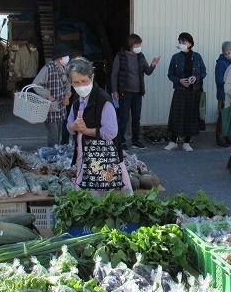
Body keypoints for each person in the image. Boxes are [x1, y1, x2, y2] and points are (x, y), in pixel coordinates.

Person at [66, 57, 132, 193]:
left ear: (92, 77)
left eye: (84, 81)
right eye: (76, 83)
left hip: (103, 158)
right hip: (83, 156)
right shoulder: (76, 99)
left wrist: (86, 130)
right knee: (87, 197)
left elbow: (111, 132)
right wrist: (73, 126)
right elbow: (69, 125)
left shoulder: (103, 100)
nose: (80, 86)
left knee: (105, 197)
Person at [110, 34, 161, 150]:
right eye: (137, 44)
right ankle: (121, 141)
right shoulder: (120, 56)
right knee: (124, 117)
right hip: (125, 91)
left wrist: (153, 64)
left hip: (138, 92)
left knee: (136, 117)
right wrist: (114, 91)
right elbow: (114, 74)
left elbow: (147, 71)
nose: (139, 46)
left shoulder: (140, 56)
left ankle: (135, 141)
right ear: (131, 44)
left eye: (140, 44)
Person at [165, 32, 206, 152]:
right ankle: (173, 141)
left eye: (184, 42)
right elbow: (170, 74)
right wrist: (179, 81)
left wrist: (196, 78)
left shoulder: (197, 56)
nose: (181, 44)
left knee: (190, 116)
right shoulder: (175, 57)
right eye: (180, 42)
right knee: (176, 115)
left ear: (190, 43)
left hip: (194, 91)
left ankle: (187, 142)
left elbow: (203, 72)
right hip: (180, 90)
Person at [32, 43, 70, 147]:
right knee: (53, 133)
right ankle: (51, 153)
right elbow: (36, 84)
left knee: (58, 132)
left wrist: (67, 96)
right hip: (50, 107)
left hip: (61, 107)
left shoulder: (65, 68)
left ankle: (55, 152)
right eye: (65, 56)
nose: (67, 58)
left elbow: (68, 84)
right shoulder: (47, 68)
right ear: (59, 57)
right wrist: (48, 95)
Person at [214, 41, 231, 147]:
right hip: (223, 94)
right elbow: (219, 80)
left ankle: (227, 137)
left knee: (229, 117)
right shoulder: (221, 63)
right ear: (227, 51)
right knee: (223, 118)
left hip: (230, 93)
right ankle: (220, 139)